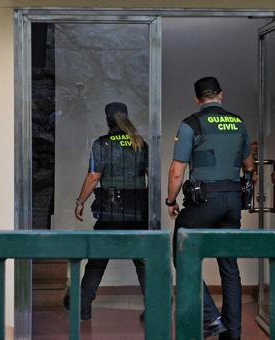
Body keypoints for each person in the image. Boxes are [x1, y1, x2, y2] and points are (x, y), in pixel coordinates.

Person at [166, 76, 254, 339]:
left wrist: (171, 202)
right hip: (232, 202)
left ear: (197, 99)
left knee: (181, 255)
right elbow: (249, 166)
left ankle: (211, 317)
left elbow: (176, 172)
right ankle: (232, 334)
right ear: (221, 95)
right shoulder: (238, 123)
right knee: (229, 266)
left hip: (203, 202)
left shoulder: (190, 124)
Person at [64, 102, 148, 321]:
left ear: (107, 119)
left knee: (97, 260)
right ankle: (155, 308)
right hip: (138, 211)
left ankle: (82, 308)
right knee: (142, 261)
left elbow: (94, 177)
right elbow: (152, 175)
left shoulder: (102, 144)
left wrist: (80, 201)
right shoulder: (140, 143)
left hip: (110, 212)